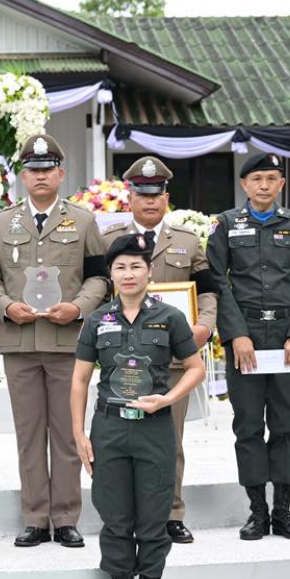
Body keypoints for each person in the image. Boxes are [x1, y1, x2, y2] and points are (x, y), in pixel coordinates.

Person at [0, 133, 109, 548]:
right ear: (23, 175)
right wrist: (5, 306)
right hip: (20, 343)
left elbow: (99, 277)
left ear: (60, 174)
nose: (40, 176)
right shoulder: (2, 223)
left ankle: (66, 517)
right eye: (33, 170)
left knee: (68, 432)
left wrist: (79, 307)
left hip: (67, 342)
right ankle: (36, 517)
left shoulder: (83, 221)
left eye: (47, 169)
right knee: (30, 434)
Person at [71, 233, 206, 579]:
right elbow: (80, 379)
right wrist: (79, 434)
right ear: (111, 275)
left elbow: (195, 368)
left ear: (149, 272)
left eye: (136, 266)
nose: (128, 274)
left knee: (153, 517)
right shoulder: (96, 320)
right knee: (115, 516)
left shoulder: (171, 317)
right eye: (120, 267)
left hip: (154, 428)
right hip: (110, 429)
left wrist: (167, 399)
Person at [101, 156, 218, 544]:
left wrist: (204, 326)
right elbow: (98, 292)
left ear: (167, 197)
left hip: (171, 361)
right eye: (142, 194)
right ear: (130, 198)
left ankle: (170, 513)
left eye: (156, 194)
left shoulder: (187, 241)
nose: (149, 201)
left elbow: (208, 291)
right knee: (121, 439)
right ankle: (126, 515)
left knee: (169, 439)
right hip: (122, 360)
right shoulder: (109, 240)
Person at [206, 152, 290, 541]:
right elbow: (217, 282)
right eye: (256, 179)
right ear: (244, 184)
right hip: (246, 337)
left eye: (272, 178)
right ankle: (257, 511)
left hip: (287, 338)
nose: (264, 185)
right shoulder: (226, 224)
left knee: (286, 425)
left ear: (281, 184)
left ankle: (283, 512)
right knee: (249, 424)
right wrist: (236, 334)